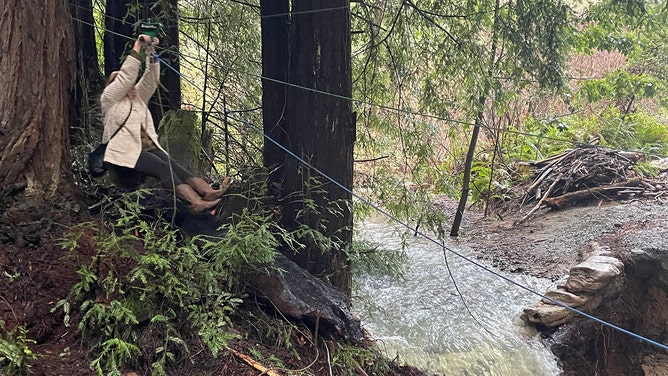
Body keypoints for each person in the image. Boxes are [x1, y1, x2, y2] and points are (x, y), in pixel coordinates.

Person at [100, 34, 229, 214]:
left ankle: (207, 193)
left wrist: (150, 52)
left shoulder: (137, 100)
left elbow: (150, 79)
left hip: (141, 150)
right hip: (121, 156)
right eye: (121, 83)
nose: (129, 86)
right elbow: (127, 77)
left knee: (172, 164)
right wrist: (137, 46)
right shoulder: (109, 100)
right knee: (161, 167)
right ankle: (195, 203)